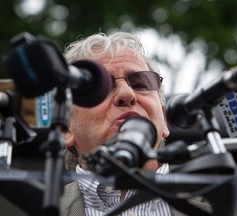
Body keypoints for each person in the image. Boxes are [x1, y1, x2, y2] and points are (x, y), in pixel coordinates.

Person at [60, 31, 196, 216]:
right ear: (66, 128)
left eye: (140, 85)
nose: (127, 94)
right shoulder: (29, 209)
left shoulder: (231, 206)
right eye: (103, 87)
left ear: (163, 120)